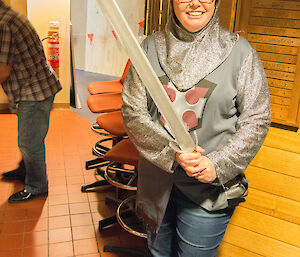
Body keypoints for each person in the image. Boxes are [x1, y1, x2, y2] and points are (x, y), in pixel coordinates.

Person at [121, 0, 271, 256]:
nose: (195, 3)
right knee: (158, 252)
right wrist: (170, 152)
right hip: (157, 182)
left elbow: (256, 117)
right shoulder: (148, 48)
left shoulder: (240, 53)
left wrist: (219, 164)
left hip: (208, 191)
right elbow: (133, 110)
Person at [0, 0, 61, 203]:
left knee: (30, 142)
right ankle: (24, 169)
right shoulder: (10, 17)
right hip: (35, 87)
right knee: (29, 139)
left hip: (35, 92)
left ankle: (37, 186)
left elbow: (3, 70)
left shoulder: (4, 25)